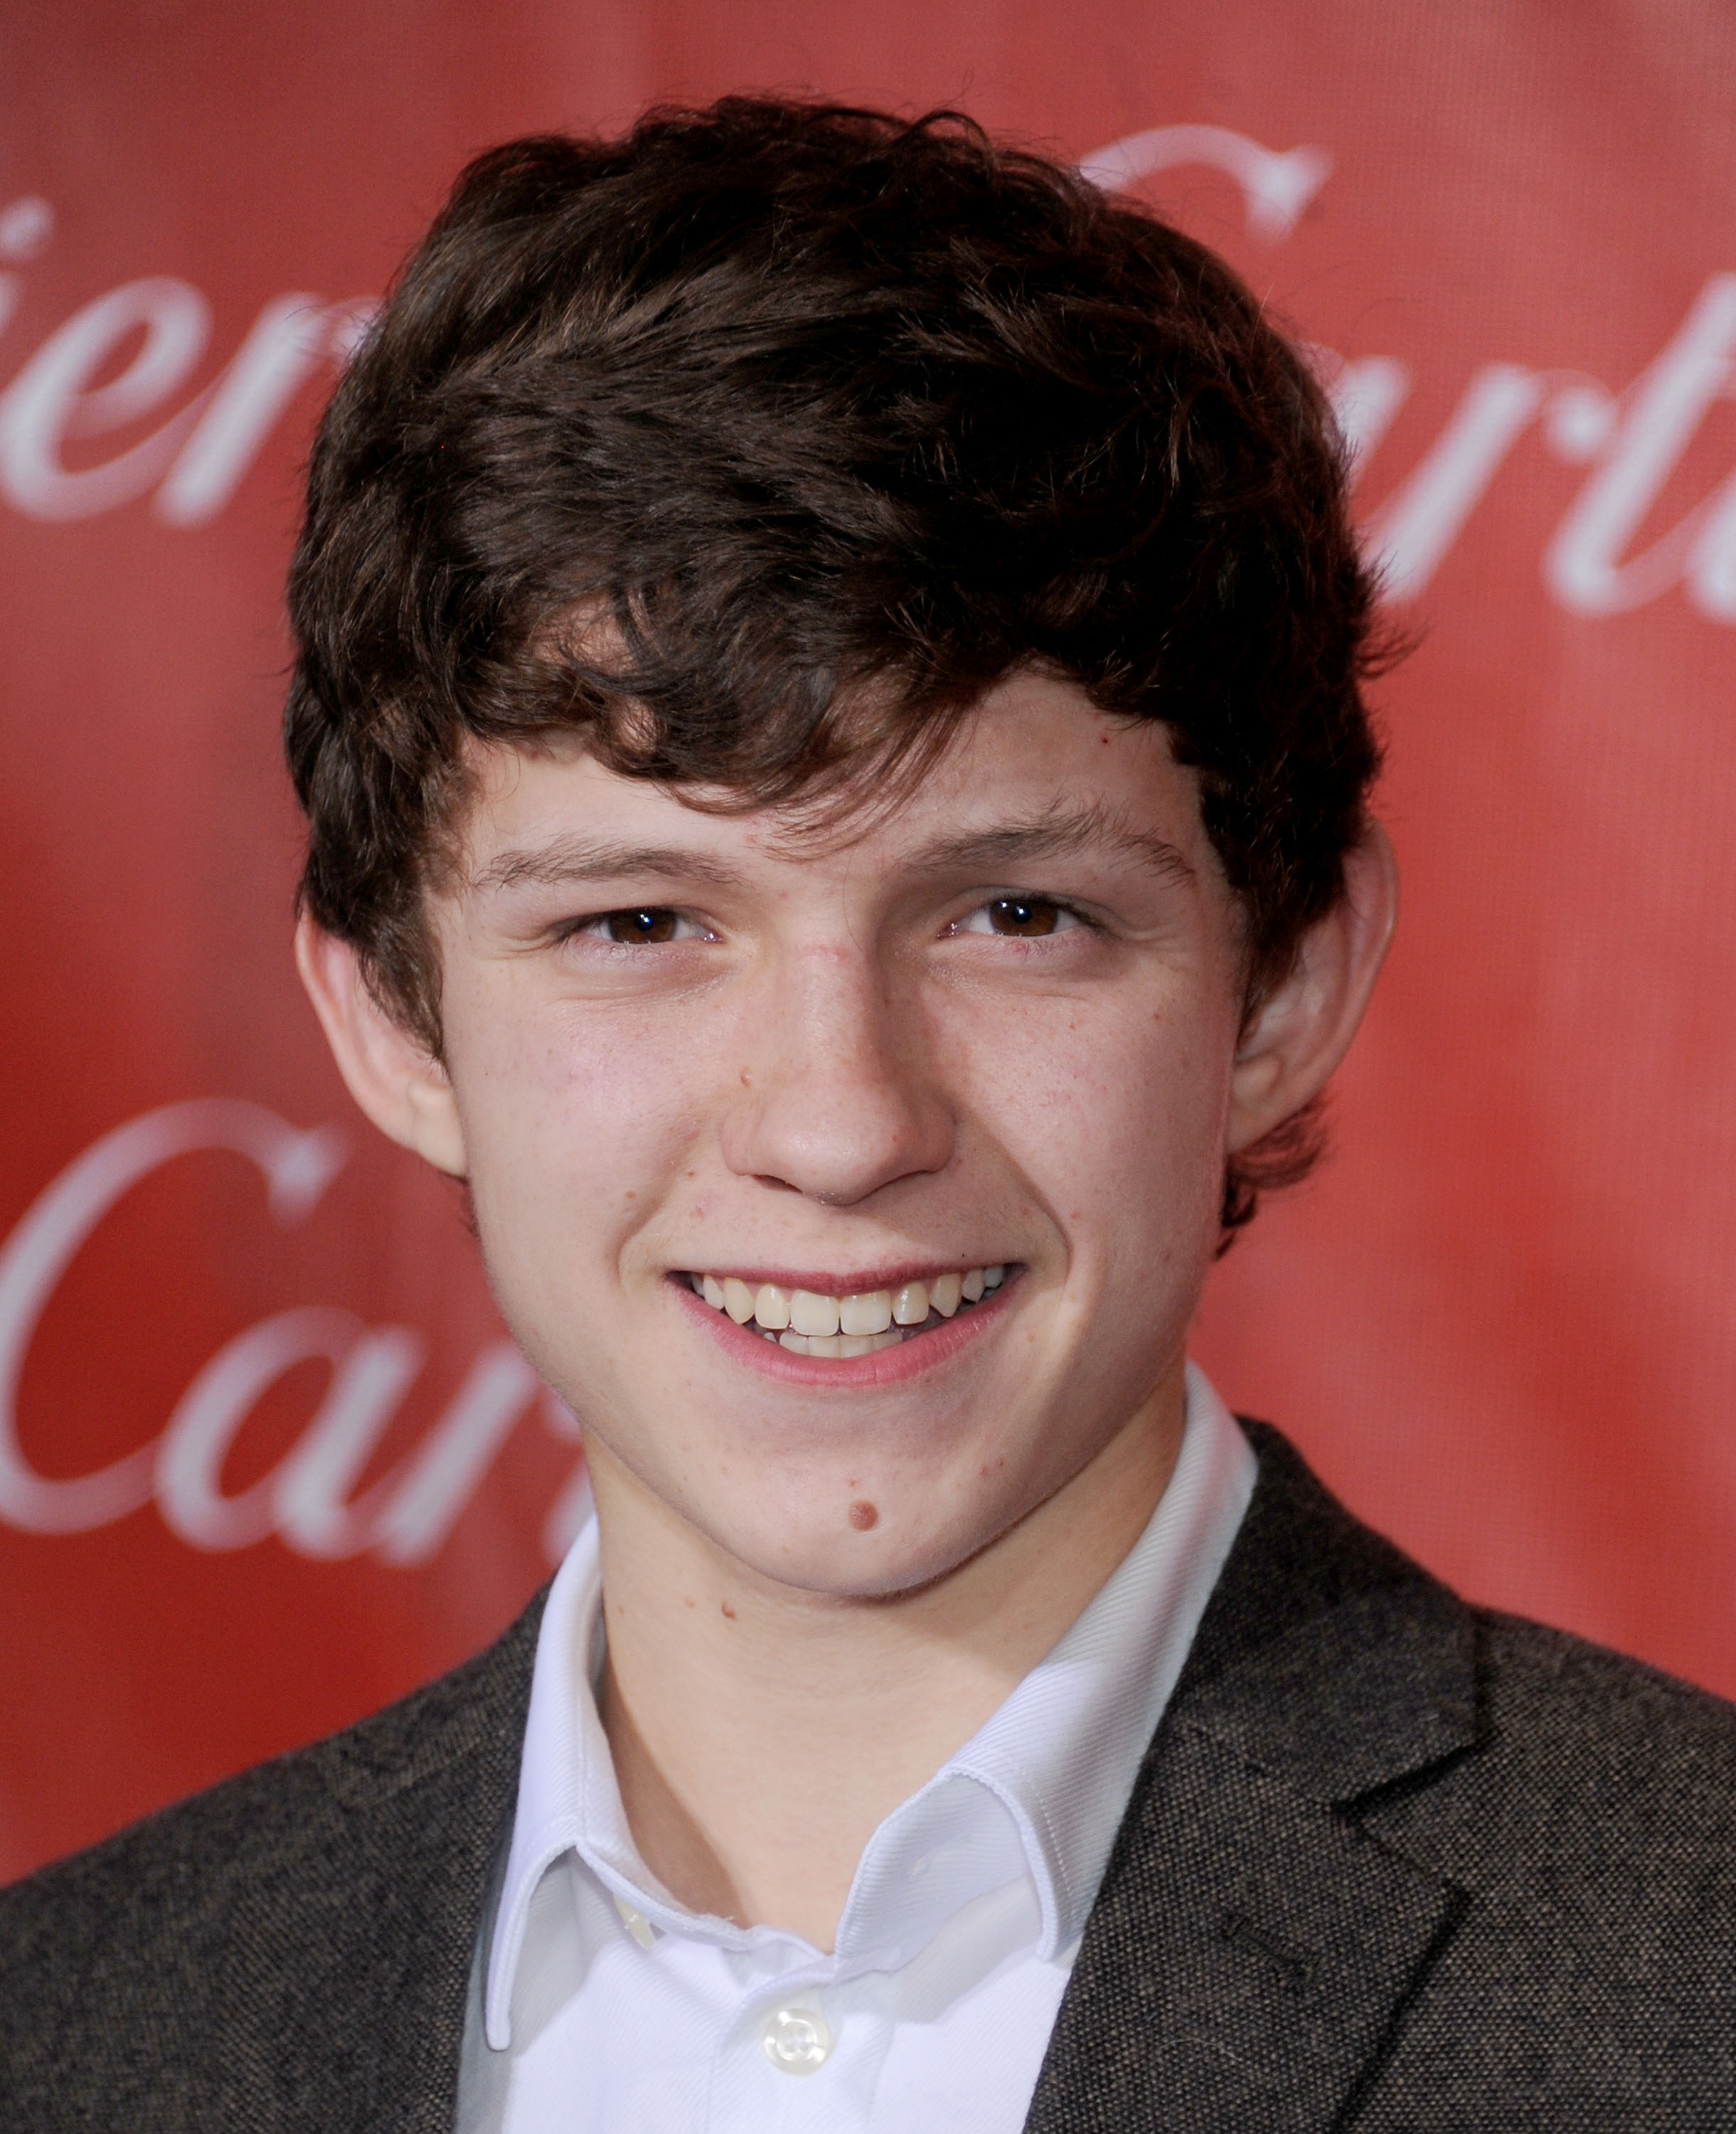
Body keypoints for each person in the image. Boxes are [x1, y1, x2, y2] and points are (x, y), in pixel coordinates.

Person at [4, 96, 1734, 2133]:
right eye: (643, 920)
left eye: (1017, 915)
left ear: (1279, 987)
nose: (838, 1125)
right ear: (394, 1019)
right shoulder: (71, 2037)